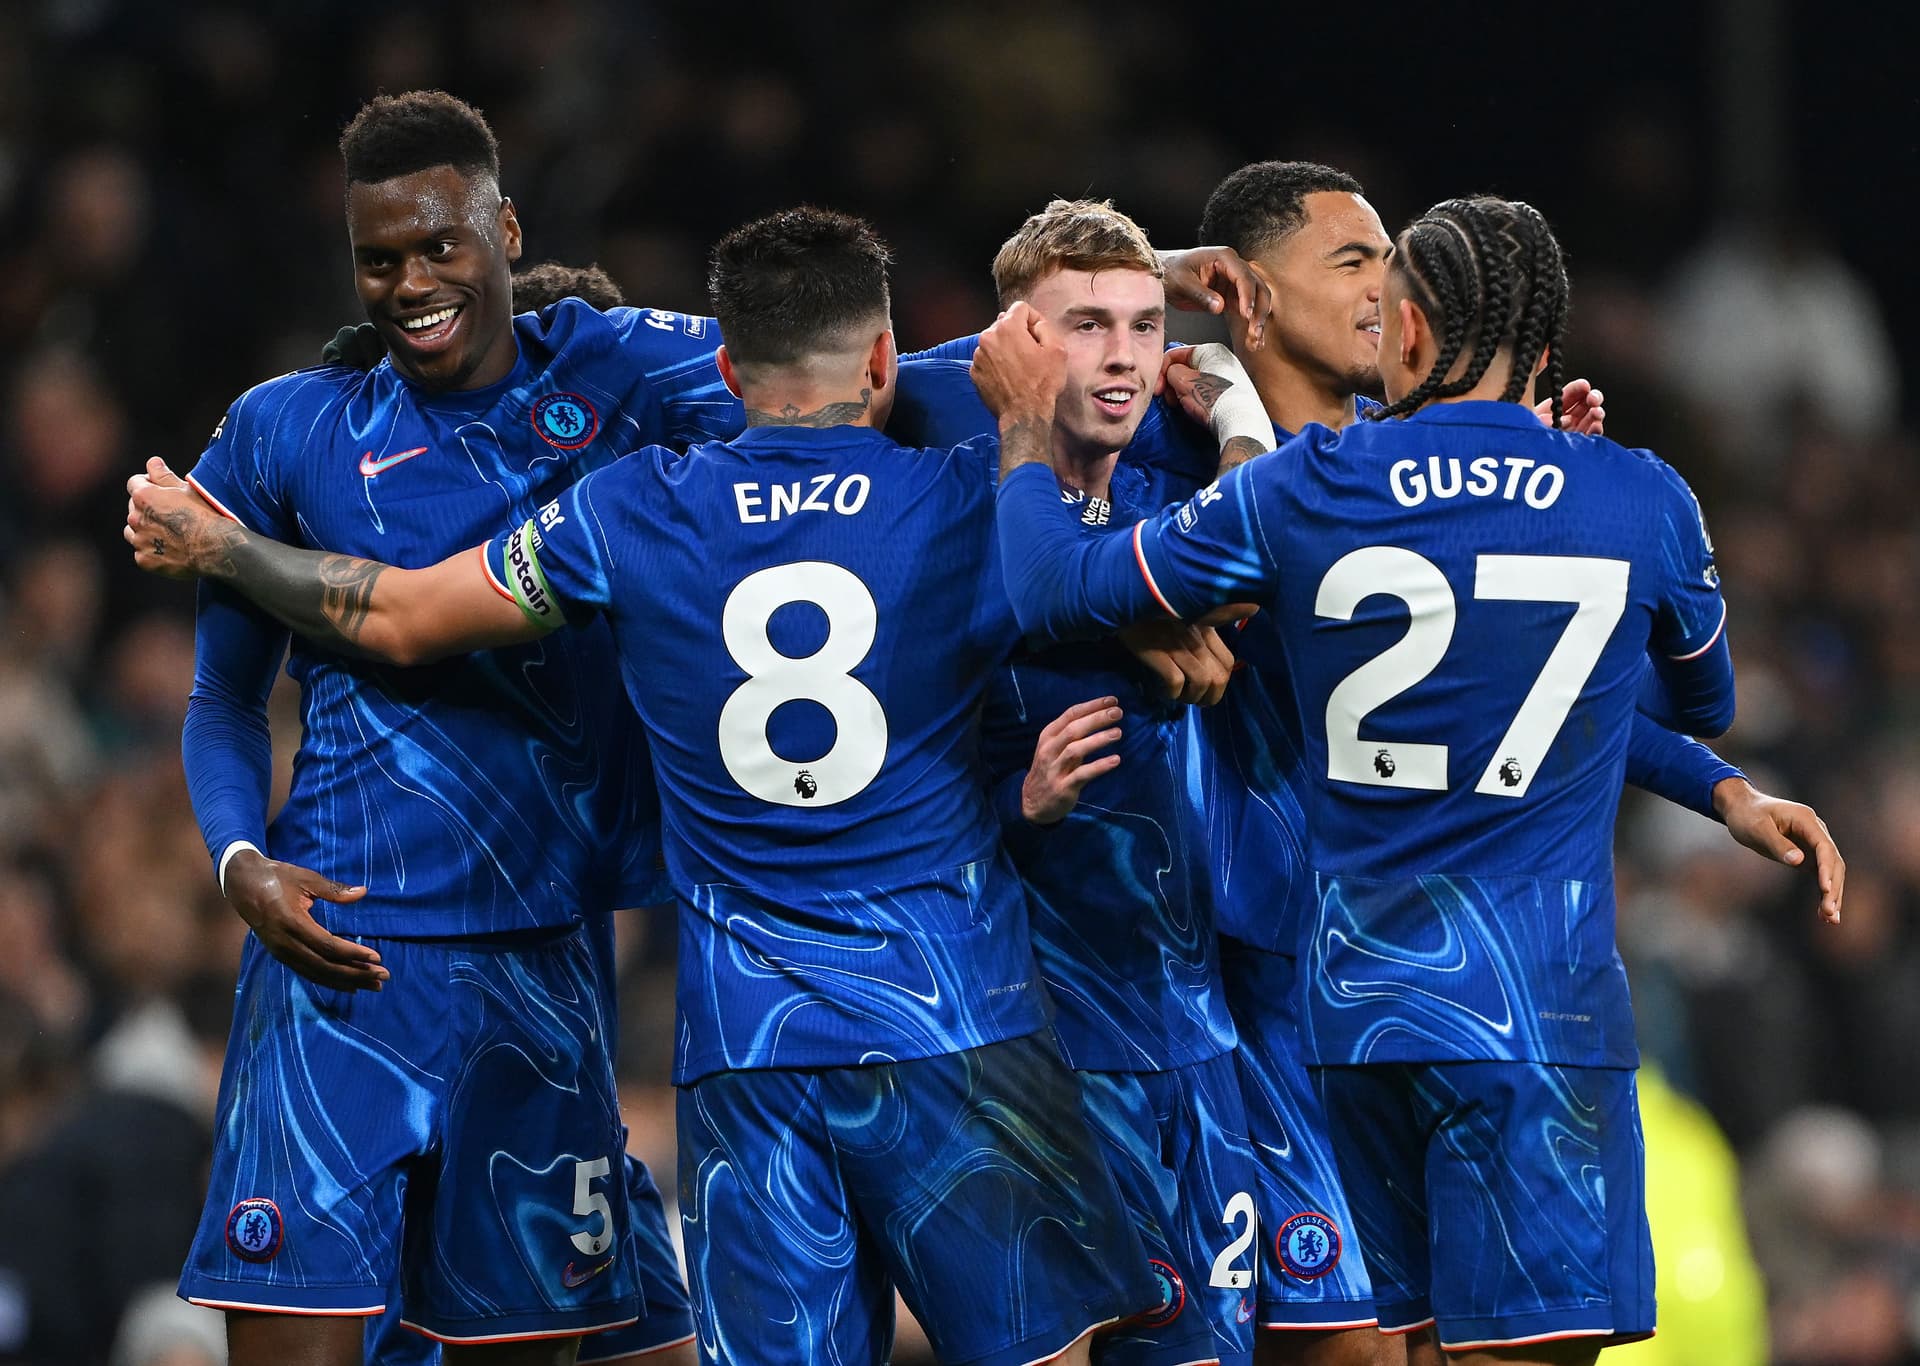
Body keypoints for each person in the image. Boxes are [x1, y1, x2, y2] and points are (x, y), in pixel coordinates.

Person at [127, 206, 1160, 1366]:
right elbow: (1102, 542)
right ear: (879, 359)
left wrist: (223, 546)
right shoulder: (972, 495)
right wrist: (1054, 433)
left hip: (747, 1042)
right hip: (953, 1014)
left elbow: (405, 615)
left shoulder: (630, 512)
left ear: (725, 373)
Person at [982, 194, 1798, 1364]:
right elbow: (1696, 699)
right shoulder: (1635, 492)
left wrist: (1025, 439)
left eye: (1384, 272)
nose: (1371, 296)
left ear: (1410, 331)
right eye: (1348, 261)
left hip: (1356, 1008)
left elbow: (1058, 583)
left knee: (1382, 1345)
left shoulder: (1311, 485)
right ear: (1548, 341)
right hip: (1532, 1008)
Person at [170, 90, 723, 1366]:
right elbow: (222, 699)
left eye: (439, 245)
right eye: (380, 259)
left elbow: (838, 360)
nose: (411, 282)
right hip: (334, 964)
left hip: (539, 966)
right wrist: (238, 860)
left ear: (506, 231)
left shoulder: (619, 375)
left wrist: (1078, 333)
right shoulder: (286, 427)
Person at [891, 199, 1259, 1365]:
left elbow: (1265, 526)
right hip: (1043, 1034)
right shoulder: (942, 512)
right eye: (1087, 324)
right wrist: (1018, 803)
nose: (1123, 355)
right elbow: (887, 776)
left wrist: (1225, 386)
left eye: (1145, 326)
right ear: (1015, 341)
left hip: (1197, 1029)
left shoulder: (1167, 497)